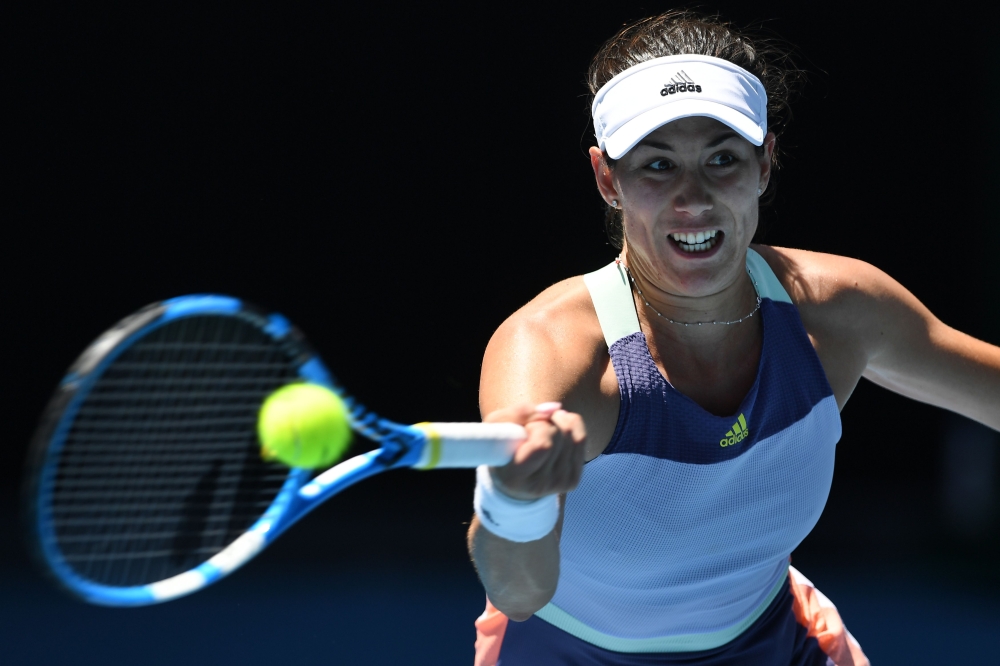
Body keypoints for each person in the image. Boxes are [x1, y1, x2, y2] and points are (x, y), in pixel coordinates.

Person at [465, 9, 1000, 666]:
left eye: (722, 159)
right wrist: (515, 497)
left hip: (780, 646)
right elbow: (517, 591)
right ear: (609, 179)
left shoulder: (840, 313)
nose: (694, 199)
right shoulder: (551, 351)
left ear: (765, 162)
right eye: (657, 166)